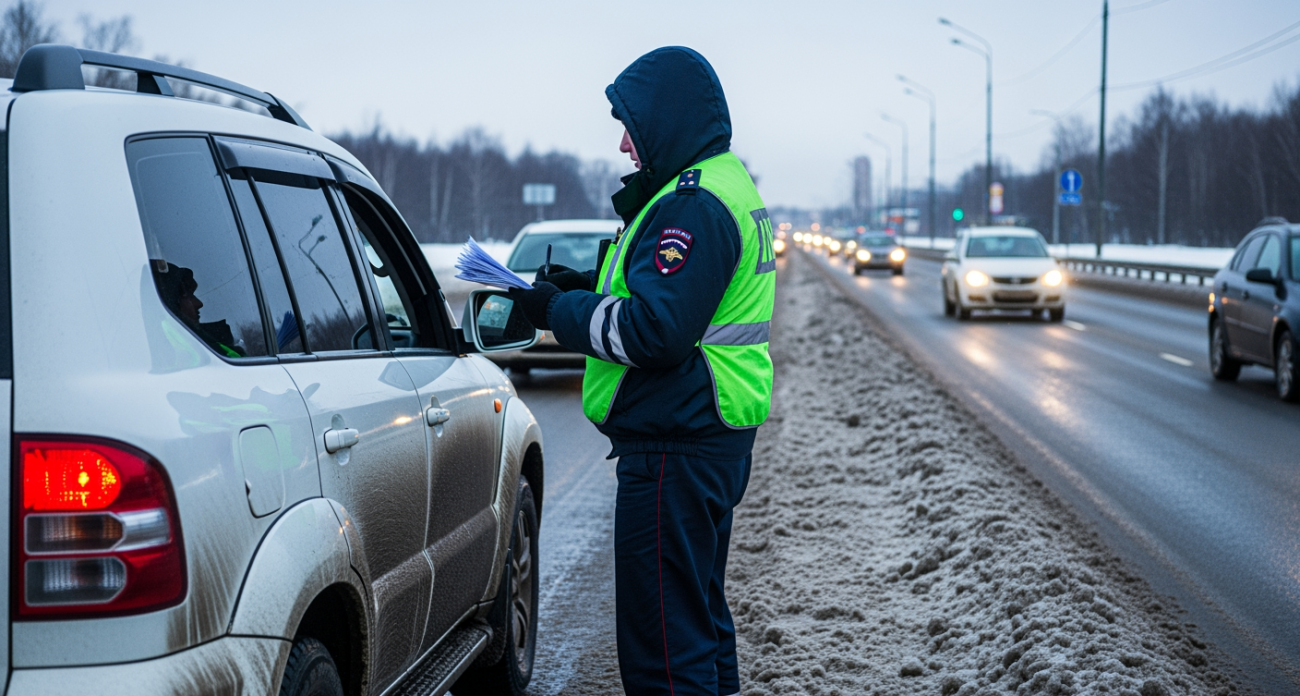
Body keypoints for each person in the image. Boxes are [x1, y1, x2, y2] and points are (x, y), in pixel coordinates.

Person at [508, 46, 776, 696]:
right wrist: (581, 286)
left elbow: (655, 330)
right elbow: (668, 295)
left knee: (664, 650)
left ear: (665, 119)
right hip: (705, 439)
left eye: (631, 126)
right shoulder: (723, 186)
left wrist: (558, 312)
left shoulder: (693, 203)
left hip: (675, 449)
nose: (625, 144)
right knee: (698, 623)